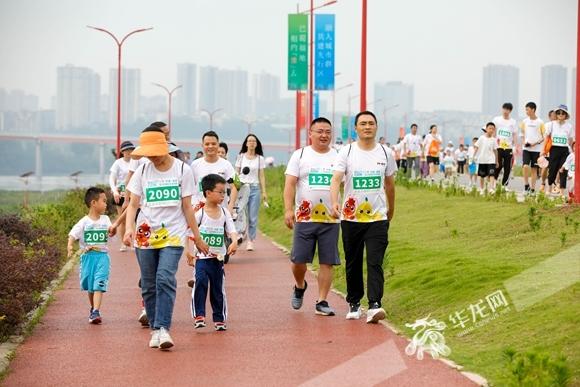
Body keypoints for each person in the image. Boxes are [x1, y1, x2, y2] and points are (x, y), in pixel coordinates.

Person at [124, 129, 208, 350]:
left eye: (155, 153)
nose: (152, 158)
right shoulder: (142, 171)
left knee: (164, 277)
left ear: (165, 148)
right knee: (149, 284)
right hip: (145, 235)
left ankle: (163, 328)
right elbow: (133, 205)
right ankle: (154, 328)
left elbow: (188, 207)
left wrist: (196, 238)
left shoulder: (183, 170)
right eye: (148, 154)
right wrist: (128, 229)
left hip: (173, 233)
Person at [330, 111, 397, 324]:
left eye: (370, 123)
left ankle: (375, 304)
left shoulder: (386, 153)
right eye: (363, 124)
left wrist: (391, 209)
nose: (367, 127)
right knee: (353, 261)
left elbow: (390, 184)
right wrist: (334, 201)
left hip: (377, 217)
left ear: (376, 127)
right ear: (356, 129)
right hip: (351, 218)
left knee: (375, 261)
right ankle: (354, 302)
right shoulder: (346, 152)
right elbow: (336, 179)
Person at [284, 117, 340, 316]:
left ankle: (322, 301)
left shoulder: (338, 156)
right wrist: (288, 209)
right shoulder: (300, 155)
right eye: (320, 131)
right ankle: (300, 285)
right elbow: (290, 184)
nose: (324, 135)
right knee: (298, 260)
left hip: (331, 219)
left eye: (327, 131)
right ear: (311, 134)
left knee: (327, 261)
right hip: (305, 218)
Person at [189, 174, 238, 331]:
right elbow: (188, 232)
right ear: (208, 192)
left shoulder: (224, 213)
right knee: (201, 282)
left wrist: (235, 241)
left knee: (218, 288)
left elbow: (231, 230)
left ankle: (219, 318)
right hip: (202, 258)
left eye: (225, 192)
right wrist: (189, 252)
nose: (223, 196)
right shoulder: (200, 213)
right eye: (220, 192)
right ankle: (199, 315)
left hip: (218, 259)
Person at [67, 187, 113, 324]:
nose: (106, 204)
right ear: (94, 203)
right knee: (90, 286)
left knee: (99, 283)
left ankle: (96, 311)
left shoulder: (106, 219)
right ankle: (93, 308)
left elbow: (111, 231)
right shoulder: (84, 222)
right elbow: (72, 234)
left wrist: (112, 231)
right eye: (104, 201)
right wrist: (69, 246)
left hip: (102, 257)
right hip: (87, 258)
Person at [191, 131, 238, 214]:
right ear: (202, 145)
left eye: (213, 144)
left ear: (218, 145)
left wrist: (230, 207)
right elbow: (190, 189)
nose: (210, 146)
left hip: (220, 212)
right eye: (207, 144)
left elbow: (236, 185)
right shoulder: (195, 165)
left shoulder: (227, 164)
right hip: (200, 212)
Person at [235, 134, 267, 251]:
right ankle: (239, 234)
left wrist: (264, 192)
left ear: (256, 144)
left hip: (254, 189)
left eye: (254, 141)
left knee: (252, 217)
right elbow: (236, 173)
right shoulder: (241, 157)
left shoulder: (260, 159)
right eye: (250, 141)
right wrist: (235, 187)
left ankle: (250, 240)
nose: (252, 143)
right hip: (243, 188)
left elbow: (262, 176)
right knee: (239, 213)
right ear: (246, 143)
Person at [109, 140, 134, 251]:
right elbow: (112, 178)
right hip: (121, 194)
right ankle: (123, 243)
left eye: (131, 150)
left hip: (134, 193)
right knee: (122, 219)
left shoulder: (136, 162)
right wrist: (114, 191)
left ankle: (133, 243)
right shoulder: (118, 163)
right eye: (126, 150)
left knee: (133, 219)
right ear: (122, 152)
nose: (129, 152)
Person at [545, 105, 575, 195]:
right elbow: (547, 137)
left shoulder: (569, 126)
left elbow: (570, 140)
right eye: (559, 113)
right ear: (556, 114)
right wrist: (543, 150)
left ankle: (562, 191)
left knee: (563, 170)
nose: (561, 115)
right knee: (552, 169)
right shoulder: (551, 124)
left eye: (563, 113)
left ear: (566, 115)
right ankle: (549, 187)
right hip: (554, 149)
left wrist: (573, 151)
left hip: (564, 150)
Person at [519, 102, 545, 194]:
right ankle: (526, 186)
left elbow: (543, 137)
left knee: (534, 169)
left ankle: (533, 189)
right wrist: (524, 142)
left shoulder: (540, 122)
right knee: (525, 166)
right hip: (526, 149)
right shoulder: (524, 121)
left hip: (537, 149)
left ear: (533, 109)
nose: (526, 111)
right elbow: (521, 134)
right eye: (526, 109)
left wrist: (535, 143)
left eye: (527, 109)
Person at [493, 103, 517, 189]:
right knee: (498, 165)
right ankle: (494, 182)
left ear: (510, 111)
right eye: (504, 109)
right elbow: (494, 132)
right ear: (502, 109)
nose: (505, 111)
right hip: (498, 146)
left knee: (508, 167)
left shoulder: (513, 122)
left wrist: (514, 146)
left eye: (507, 109)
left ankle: (504, 185)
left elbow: (514, 134)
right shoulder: (496, 119)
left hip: (508, 147)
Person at [474, 122, 498, 194]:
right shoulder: (481, 138)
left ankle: (491, 189)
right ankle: (482, 189)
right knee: (482, 176)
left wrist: (496, 161)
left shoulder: (494, 140)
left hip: (491, 160)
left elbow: (495, 151)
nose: (491, 130)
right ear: (486, 129)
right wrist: (473, 156)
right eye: (490, 128)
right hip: (482, 160)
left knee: (492, 174)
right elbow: (476, 147)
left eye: (493, 129)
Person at [540, 110, 556, 192]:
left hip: (555, 149)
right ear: (549, 117)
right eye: (553, 115)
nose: (555, 116)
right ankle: (543, 183)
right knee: (545, 168)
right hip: (547, 150)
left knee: (553, 169)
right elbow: (544, 138)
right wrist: (543, 150)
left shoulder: (559, 125)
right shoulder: (546, 125)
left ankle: (551, 187)